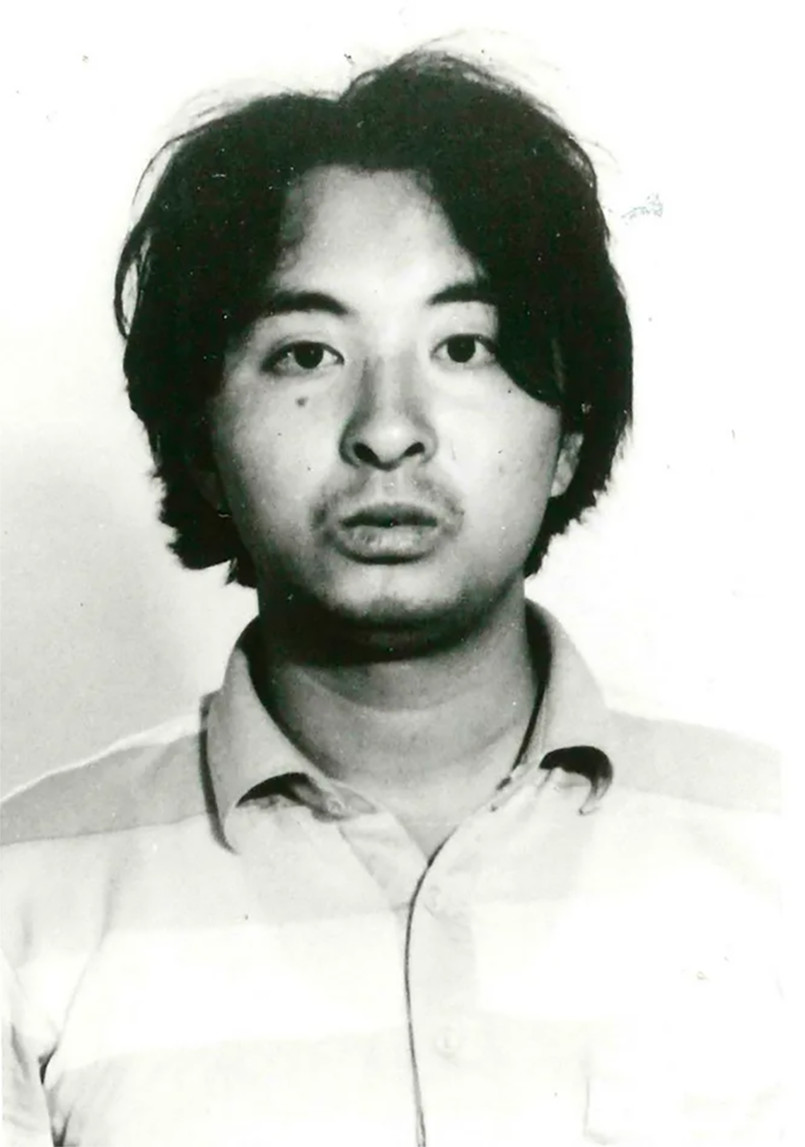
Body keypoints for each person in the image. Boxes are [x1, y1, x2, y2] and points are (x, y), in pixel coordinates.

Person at [1, 49, 781, 1146]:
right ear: (202, 441)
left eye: (464, 346)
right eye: (305, 353)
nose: (386, 428)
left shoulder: (776, 845)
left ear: (569, 434)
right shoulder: (22, 895)